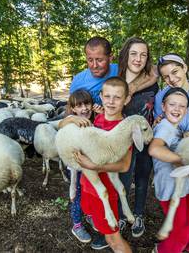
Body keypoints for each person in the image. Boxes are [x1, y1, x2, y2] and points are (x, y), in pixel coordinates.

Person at [73, 77, 133, 252]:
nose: (111, 102)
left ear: (126, 99)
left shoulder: (124, 128)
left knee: (114, 239)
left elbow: (124, 166)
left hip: (105, 192)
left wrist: (93, 166)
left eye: (117, 97)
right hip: (88, 186)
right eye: (107, 96)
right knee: (102, 227)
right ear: (100, 96)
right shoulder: (97, 120)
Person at [148, 87, 189, 253]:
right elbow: (154, 149)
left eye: (182, 106)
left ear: (186, 110)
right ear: (163, 106)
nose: (177, 109)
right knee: (180, 229)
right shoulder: (164, 127)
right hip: (171, 186)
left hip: (184, 184)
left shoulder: (177, 128)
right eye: (172, 104)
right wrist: (183, 159)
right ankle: (163, 250)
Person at [116, 37, 159, 237]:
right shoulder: (116, 79)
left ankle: (139, 214)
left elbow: (159, 107)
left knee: (142, 178)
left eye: (143, 54)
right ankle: (122, 214)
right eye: (134, 53)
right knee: (123, 179)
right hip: (122, 141)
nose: (138, 58)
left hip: (145, 139)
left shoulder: (152, 81)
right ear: (126, 55)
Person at [70, 36, 158, 107]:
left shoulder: (119, 70)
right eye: (90, 60)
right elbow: (70, 108)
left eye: (100, 60)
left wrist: (131, 87)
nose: (94, 65)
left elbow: (153, 70)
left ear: (110, 58)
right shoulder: (78, 80)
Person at [61, 90, 95, 243]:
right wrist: (72, 118)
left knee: (90, 193)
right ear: (73, 108)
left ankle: (89, 215)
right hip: (75, 168)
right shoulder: (71, 119)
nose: (84, 108)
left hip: (90, 166)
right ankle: (77, 225)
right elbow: (61, 124)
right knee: (78, 195)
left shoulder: (93, 120)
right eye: (79, 106)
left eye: (87, 104)